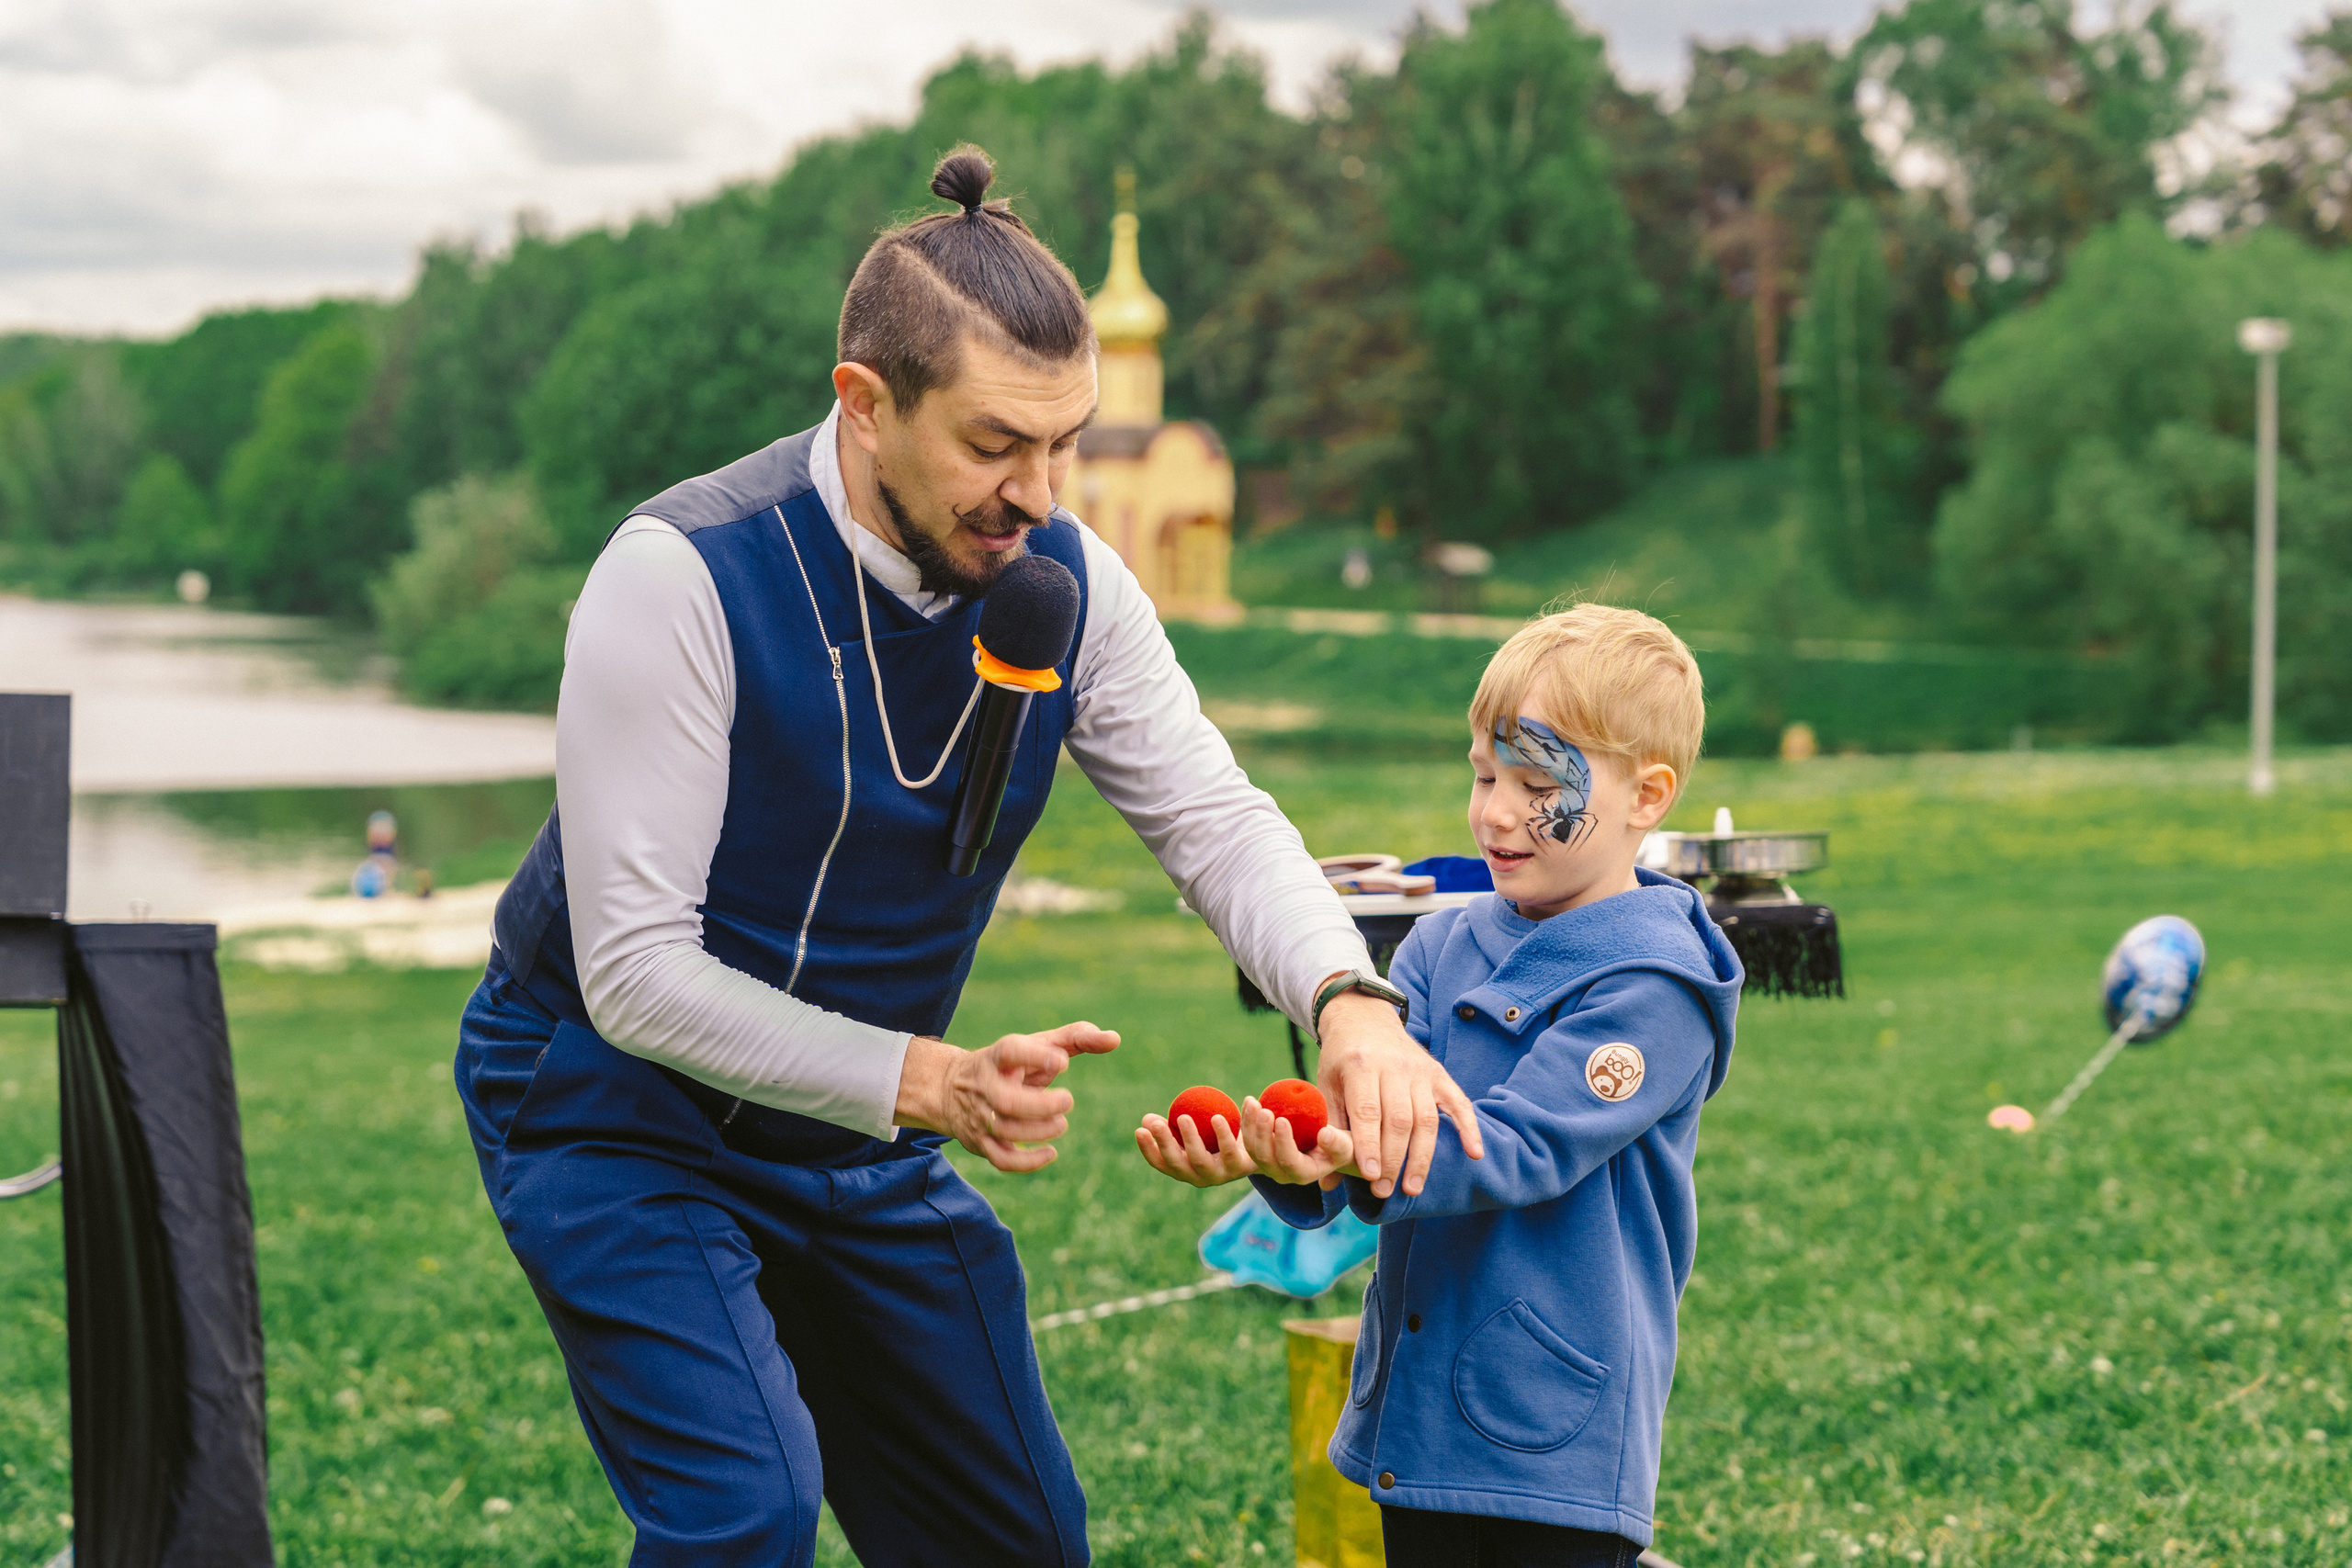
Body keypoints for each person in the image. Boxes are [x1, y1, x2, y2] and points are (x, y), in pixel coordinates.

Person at [451, 144, 1482, 1568]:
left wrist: (1348, 999)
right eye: (996, 444)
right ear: (865, 405)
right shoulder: (679, 575)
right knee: (744, 1506)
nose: (1043, 492)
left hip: (857, 1129)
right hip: (612, 1103)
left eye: (1065, 442)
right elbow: (632, 973)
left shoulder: (1071, 579)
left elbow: (1213, 813)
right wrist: (930, 1079)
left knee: (1012, 1530)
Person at [1137, 604, 1741, 1567]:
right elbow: (1355, 1136)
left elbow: (1522, 1148)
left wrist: (1355, 1148)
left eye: (1536, 781)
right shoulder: (1439, 944)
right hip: (1414, 1416)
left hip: (1549, 1431)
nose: (1495, 810)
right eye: (1482, 773)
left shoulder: (1652, 986)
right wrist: (1288, 1160)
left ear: (1648, 795)